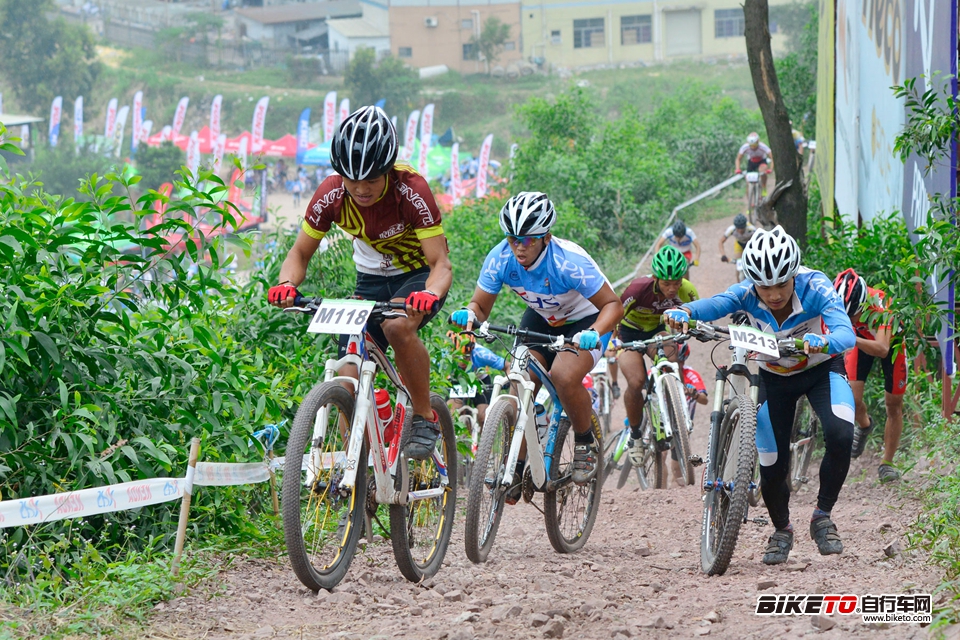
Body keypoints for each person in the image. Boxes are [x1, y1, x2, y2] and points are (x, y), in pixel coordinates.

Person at [267, 106, 453, 461]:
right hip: (368, 281)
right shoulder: (331, 194)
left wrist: (429, 294)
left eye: (371, 180)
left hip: (416, 276)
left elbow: (440, 264)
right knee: (348, 373)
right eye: (352, 180)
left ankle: (423, 417)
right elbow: (299, 255)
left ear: (388, 171)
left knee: (398, 328)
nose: (361, 189)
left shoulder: (411, 191)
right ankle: (358, 466)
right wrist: (286, 284)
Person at [664, 225, 856, 565]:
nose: (774, 293)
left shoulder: (816, 285)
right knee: (771, 464)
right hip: (774, 377)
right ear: (753, 282)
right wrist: (687, 312)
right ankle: (782, 529)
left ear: (794, 275)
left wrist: (824, 341)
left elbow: (845, 332)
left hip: (821, 370)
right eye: (765, 286)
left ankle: (822, 516)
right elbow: (717, 304)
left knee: (841, 433)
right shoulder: (745, 292)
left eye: (782, 283)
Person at [450, 191, 623, 486]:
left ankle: (585, 440)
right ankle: (515, 466)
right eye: (513, 238)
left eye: (528, 239)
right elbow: (479, 306)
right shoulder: (501, 258)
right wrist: (468, 316)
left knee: (563, 376)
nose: (519, 247)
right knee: (518, 379)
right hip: (542, 319)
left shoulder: (569, 262)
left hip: (586, 322)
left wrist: (593, 333)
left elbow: (614, 305)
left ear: (546, 236)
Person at [618, 245, 698, 487]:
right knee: (636, 381)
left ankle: (674, 403)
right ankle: (635, 436)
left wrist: (695, 329)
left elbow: (699, 315)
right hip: (629, 333)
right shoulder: (637, 289)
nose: (672, 288)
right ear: (656, 278)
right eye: (666, 283)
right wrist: (612, 341)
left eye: (676, 281)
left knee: (672, 358)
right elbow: (614, 314)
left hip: (657, 331)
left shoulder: (687, 290)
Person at [834, 269, 906, 484]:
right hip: (861, 339)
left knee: (893, 405)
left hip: (891, 345)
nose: (849, 319)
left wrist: (851, 339)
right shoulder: (838, 302)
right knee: (852, 400)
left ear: (864, 305)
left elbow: (883, 348)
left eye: (852, 315)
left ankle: (887, 463)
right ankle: (865, 425)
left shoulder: (881, 307)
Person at [446, 330, 506, 427]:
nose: (463, 361)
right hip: (457, 381)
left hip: (480, 380)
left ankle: (485, 440)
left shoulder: (482, 354)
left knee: (484, 418)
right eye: (458, 357)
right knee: (451, 416)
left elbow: (507, 366)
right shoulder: (445, 355)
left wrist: (507, 382)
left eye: (466, 356)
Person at [735, 132, 774, 200]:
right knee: (748, 182)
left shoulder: (763, 147)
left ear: (758, 142)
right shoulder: (745, 147)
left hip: (761, 161)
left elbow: (772, 157)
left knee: (763, 170)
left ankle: (764, 187)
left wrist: (771, 169)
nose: (753, 147)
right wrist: (738, 169)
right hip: (751, 162)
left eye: (755, 145)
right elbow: (738, 159)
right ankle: (750, 203)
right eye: (751, 145)